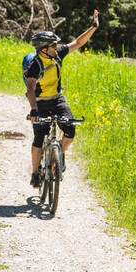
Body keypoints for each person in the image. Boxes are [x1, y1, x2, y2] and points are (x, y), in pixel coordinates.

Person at [26, 10, 99, 186]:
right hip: (41, 103)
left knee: (70, 128)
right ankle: (35, 173)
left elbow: (78, 42)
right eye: (53, 46)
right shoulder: (34, 65)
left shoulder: (57, 55)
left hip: (57, 99)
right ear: (44, 49)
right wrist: (34, 110)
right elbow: (30, 88)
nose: (56, 48)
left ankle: (60, 152)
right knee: (38, 137)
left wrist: (93, 27)